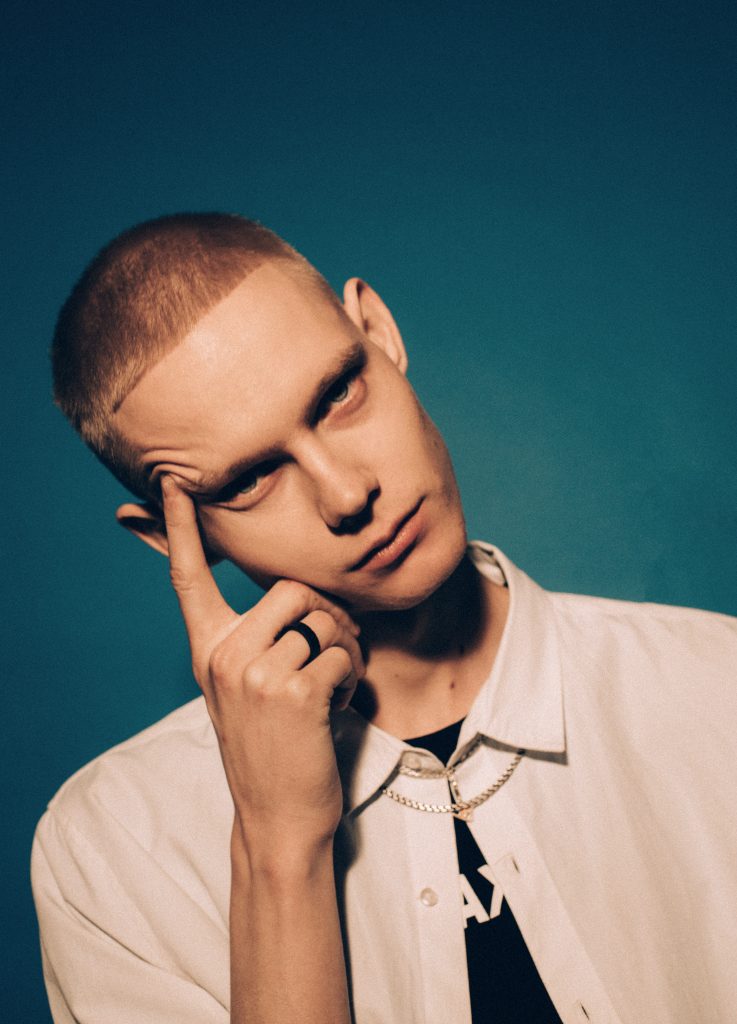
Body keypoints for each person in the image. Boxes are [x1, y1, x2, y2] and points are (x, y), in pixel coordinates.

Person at [32, 213, 737, 1024]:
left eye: (337, 393)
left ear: (379, 331)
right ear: (172, 536)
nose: (346, 493)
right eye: (250, 479)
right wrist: (279, 847)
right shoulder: (111, 850)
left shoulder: (713, 686)